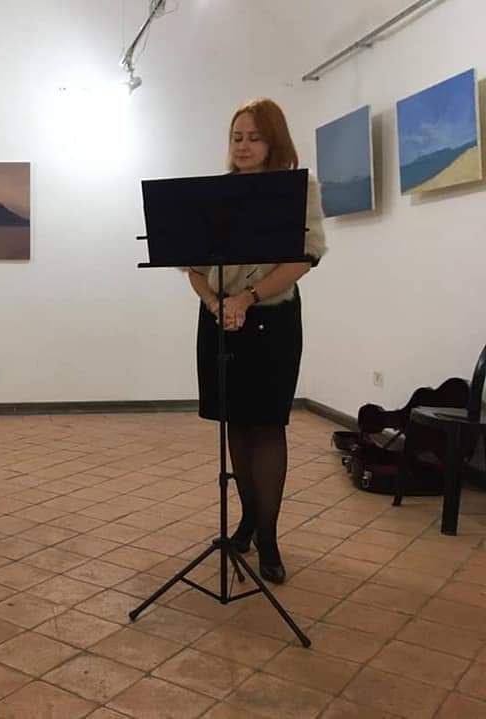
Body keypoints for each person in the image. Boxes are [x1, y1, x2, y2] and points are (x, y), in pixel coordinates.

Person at [186, 98, 326, 584]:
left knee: (266, 425)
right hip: (218, 318)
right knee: (235, 423)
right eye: (236, 137)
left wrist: (246, 298)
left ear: (274, 140)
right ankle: (247, 519)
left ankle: (267, 536)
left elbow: (304, 258)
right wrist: (215, 302)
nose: (242, 146)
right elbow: (195, 269)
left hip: (271, 318)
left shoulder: (297, 189)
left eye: (254, 137)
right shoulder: (215, 194)